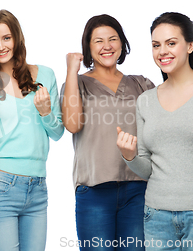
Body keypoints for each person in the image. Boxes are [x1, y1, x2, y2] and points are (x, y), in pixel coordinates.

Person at [117, 12, 193, 251]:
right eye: (156, 45)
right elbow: (148, 170)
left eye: (171, 43)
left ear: (190, 45)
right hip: (157, 217)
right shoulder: (146, 100)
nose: (163, 51)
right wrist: (129, 156)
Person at [0, 9, 64, 251]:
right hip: (2, 187)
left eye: (6, 38)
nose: (0, 46)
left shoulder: (45, 75)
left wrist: (45, 112)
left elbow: (57, 133)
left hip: (38, 188)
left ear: (17, 38)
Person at [61, 14, 154, 250]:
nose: (107, 46)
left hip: (138, 187)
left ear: (122, 43)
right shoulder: (77, 83)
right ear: (88, 47)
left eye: (113, 39)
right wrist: (72, 71)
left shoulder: (141, 83)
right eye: (98, 41)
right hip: (94, 190)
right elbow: (72, 124)